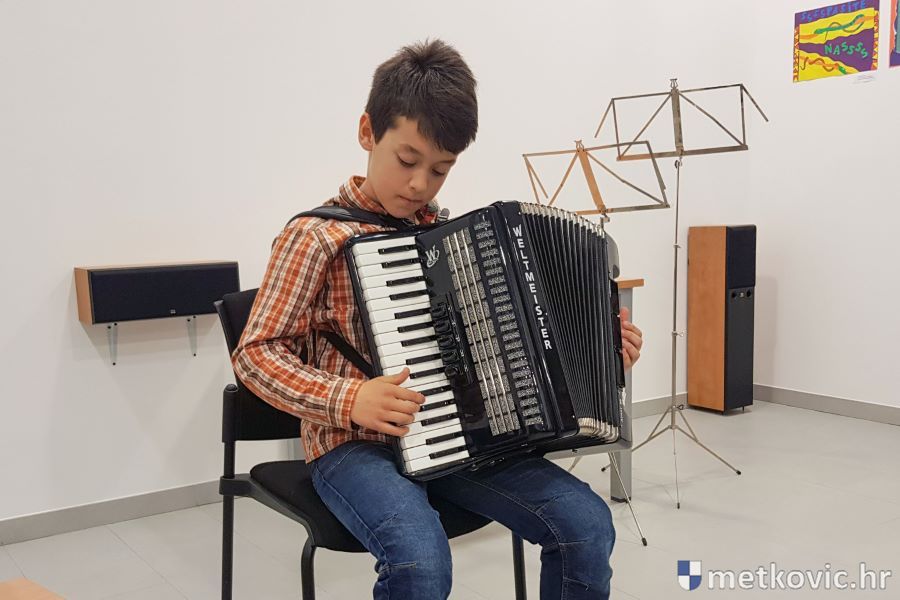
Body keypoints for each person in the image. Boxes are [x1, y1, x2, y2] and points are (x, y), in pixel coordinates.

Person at [232, 38, 644, 600]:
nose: (420, 184)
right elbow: (255, 354)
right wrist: (350, 399)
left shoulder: (450, 241)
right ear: (367, 132)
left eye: (440, 170)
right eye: (407, 161)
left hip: (458, 438)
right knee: (420, 561)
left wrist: (598, 351)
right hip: (354, 446)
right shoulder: (315, 236)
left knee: (586, 524)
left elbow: (506, 347)